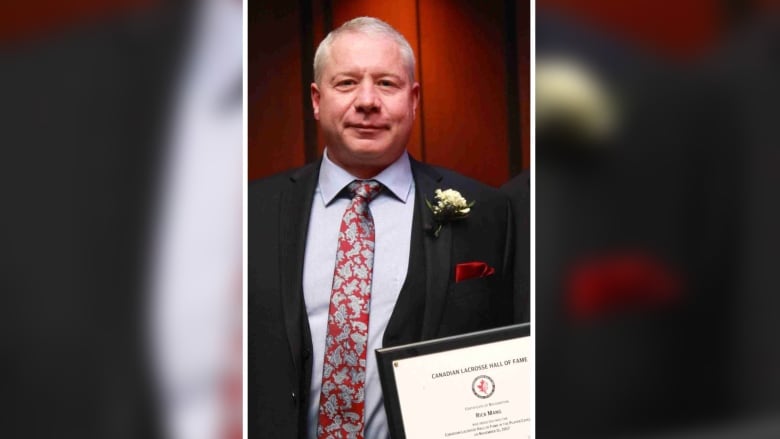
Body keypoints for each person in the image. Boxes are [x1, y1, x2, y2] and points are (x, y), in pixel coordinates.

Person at [248, 17, 515, 439]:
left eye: (387, 84)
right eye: (347, 83)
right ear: (317, 100)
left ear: (413, 100)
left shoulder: (488, 212)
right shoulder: (252, 211)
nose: (367, 101)